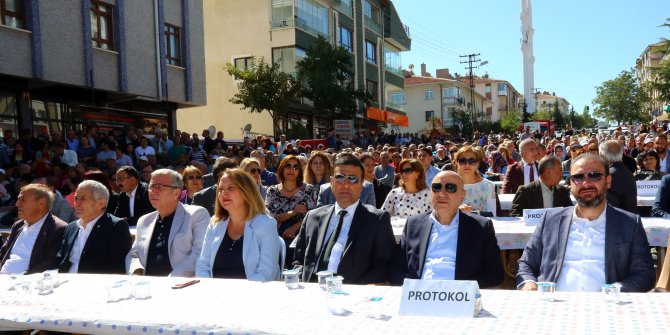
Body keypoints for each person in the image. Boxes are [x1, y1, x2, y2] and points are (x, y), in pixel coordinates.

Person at [516, 154, 655, 292]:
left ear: (608, 181)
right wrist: (529, 283)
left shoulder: (629, 223)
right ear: (570, 183)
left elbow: (644, 274)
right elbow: (526, 264)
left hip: (608, 308)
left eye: (594, 175)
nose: (586, 183)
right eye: (578, 177)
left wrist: (614, 290)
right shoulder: (550, 220)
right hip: (553, 306)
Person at [293, 153, 396, 284]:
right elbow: (299, 260)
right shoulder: (313, 217)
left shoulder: (376, 220)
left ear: (362, 184)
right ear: (331, 182)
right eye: (340, 178)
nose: (346, 185)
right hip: (312, 289)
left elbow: (384, 265)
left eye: (353, 179)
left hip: (352, 291)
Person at [391, 171, 504, 288]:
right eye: (436, 187)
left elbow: (495, 274)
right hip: (419, 295)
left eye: (450, 188)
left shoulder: (480, 227)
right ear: (431, 192)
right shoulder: (413, 224)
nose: (442, 193)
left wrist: (460, 289)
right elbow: (396, 268)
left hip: (458, 297)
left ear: (462, 195)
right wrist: (413, 288)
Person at [196, 169, 280, 281]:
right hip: (215, 294)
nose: (224, 193)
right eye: (220, 189)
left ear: (247, 192)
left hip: (251, 295)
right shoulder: (214, 223)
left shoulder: (266, 224)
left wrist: (238, 294)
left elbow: (267, 273)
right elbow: (203, 264)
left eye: (231, 188)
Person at [126, 169, 209, 277]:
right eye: (151, 186)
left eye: (159, 187)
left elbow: (200, 253)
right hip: (147, 286)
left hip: (179, 285)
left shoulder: (196, 215)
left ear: (177, 193)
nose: (152, 191)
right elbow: (133, 254)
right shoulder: (144, 220)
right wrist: (137, 273)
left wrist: (169, 281)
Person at [56, 180, 132, 274]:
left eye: (83, 198)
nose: (77, 203)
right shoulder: (71, 227)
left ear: (100, 203)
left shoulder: (115, 226)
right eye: (76, 198)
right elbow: (61, 260)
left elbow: (118, 267)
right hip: (65, 283)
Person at [0, 184, 67, 274]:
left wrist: (22, 277)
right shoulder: (18, 226)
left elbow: (53, 263)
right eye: (18, 199)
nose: (17, 204)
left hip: (27, 283)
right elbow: (3, 254)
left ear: (41, 203)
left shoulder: (58, 229)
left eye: (22, 200)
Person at [265, 155, 318, 241]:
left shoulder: (309, 190)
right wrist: (293, 212)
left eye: (296, 167)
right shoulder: (272, 191)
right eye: (288, 166)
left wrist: (294, 228)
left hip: (303, 237)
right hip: (276, 237)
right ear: (282, 168)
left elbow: (314, 217)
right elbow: (271, 218)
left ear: (299, 171)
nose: (291, 169)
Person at [453, 146, 496, 215]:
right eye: (462, 161)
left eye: (472, 161)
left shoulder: (488, 185)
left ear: (478, 164)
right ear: (456, 163)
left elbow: (492, 214)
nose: (467, 165)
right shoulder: (448, 185)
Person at [600, 140, 638, 214]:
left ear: (602, 155)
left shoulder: (610, 175)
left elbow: (609, 205)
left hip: (619, 219)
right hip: (628, 217)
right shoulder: (624, 169)